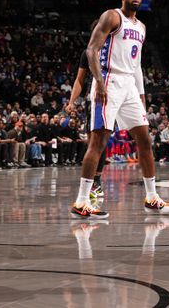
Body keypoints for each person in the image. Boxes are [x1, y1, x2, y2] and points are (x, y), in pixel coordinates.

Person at [70, 0, 169, 219]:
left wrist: (141, 97)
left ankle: (151, 197)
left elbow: (137, 66)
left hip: (129, 84)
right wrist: (98, 81)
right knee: (98, 141)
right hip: (108, 80)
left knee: (145, 140)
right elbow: (91, 50)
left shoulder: (142, 27)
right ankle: (81, 201)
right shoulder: (111, 16)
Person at [66, 21, 109, 201]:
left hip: (115, 96)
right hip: (94, 99)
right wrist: (71, 101)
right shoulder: (88, 53)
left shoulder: (115, 51)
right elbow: (79, 80)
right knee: (94, 141)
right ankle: (94, 182)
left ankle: (96, 180)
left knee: (103, 140)